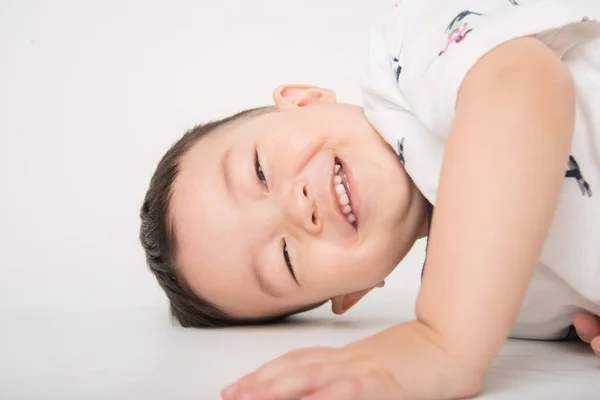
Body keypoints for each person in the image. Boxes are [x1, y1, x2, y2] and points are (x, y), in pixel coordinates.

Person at [139, 0, 600, 398]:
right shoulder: (510, 313)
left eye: (259, 171)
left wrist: (445, 341)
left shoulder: (405, 61)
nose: (300, 208)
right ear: (351, 292)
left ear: (304, 99)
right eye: (285, 257)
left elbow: (524, 83)